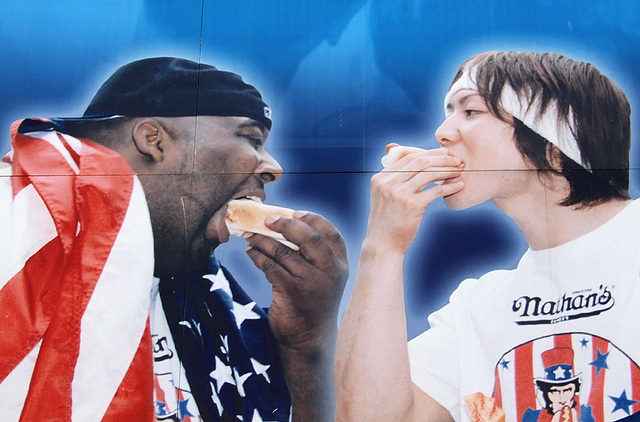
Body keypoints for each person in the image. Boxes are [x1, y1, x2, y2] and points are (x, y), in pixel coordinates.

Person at [0, 57, 348, 422]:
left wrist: (306, 343)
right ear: (153, 140)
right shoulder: (21, 231)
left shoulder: (213, 303)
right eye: (252, 138)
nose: (272, 167)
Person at [335, 51, 640, 422]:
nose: (442, 132)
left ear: (554, 143)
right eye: (448, 112)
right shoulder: (476, 308)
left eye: (471, 111)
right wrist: (383, 246)